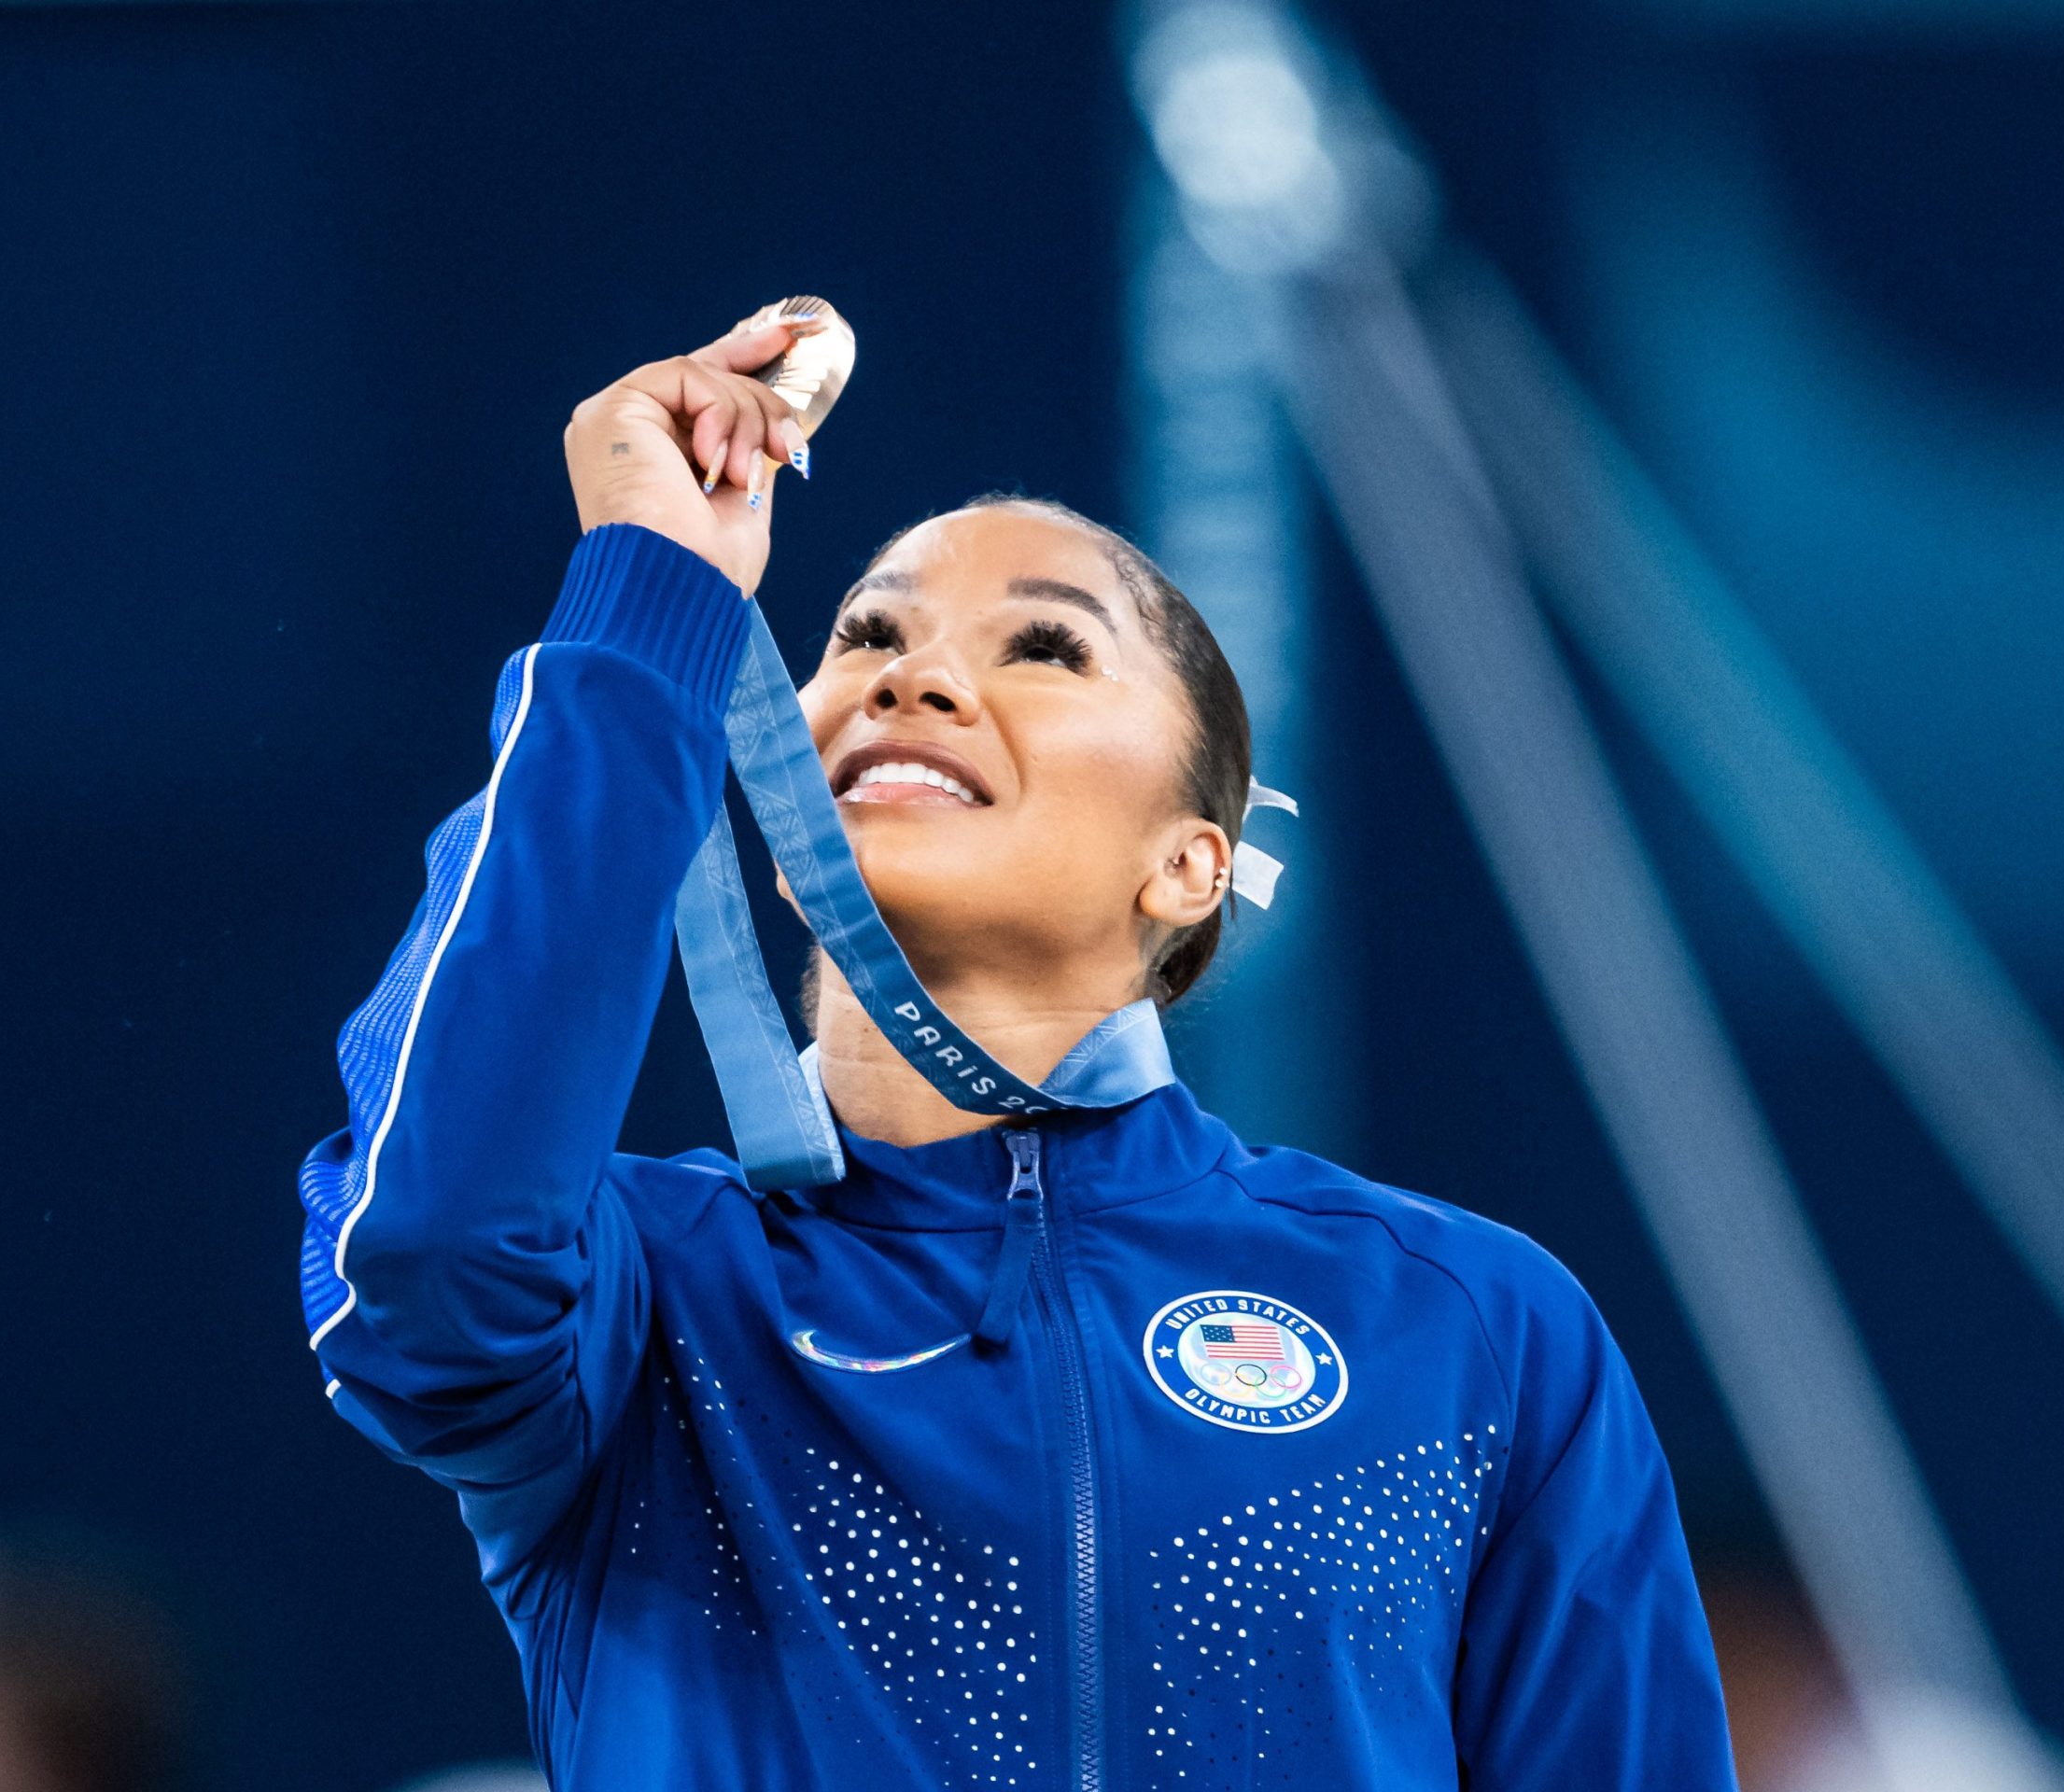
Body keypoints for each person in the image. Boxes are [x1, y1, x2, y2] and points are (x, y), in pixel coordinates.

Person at [295, 315, 1734, 1790]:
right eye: (864, 636)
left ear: (1189, 866)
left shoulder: (1468, 1328)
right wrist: (649, 599)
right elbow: (428, 1253)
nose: (910, 682)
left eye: (1045, 646)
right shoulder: (653, 1297)